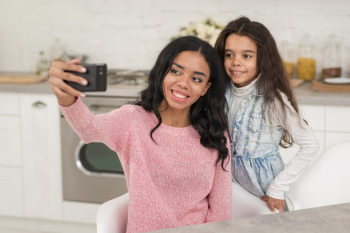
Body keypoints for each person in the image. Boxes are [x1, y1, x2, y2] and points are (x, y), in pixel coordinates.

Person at [49, 36, 232, 233]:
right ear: (162, 72)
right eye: (176, 71)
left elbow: (221, 210)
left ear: (206, 88)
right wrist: (67, 99)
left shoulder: (215, 134)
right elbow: (88, 129)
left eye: (196, 79)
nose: (183, 83)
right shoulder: (133, 120)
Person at [214, 16, 320, 217]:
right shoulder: (220, 93)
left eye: (247, 56)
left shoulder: (273, 100)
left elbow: (310, 145)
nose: (236, 62)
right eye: (229, 54)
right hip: (228, 190)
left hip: (263, 195)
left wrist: (277, 189)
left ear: (262, 58)